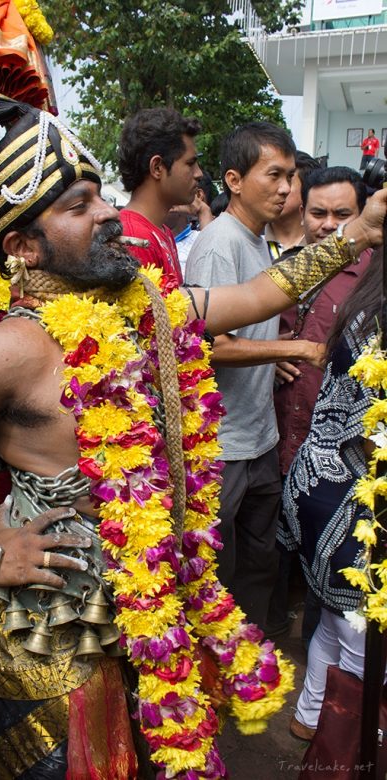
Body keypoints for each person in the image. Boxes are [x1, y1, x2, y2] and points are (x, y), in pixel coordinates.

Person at [0, 90, 385, 778]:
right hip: (51, 636)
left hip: (147, 607)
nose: (110, 214)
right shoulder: (11, 348)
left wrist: (358, 233)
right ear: (23, 245)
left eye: (99, 197)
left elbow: (261, 296)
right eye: (79, 207)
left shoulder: (147, 312)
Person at [184, 122, 325, 629]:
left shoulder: (257, 240)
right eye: (274, 175)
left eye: (290, 176)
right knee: (221, 572)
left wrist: (269, 354)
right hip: (223, 447)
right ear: (235, 180)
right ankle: (221, 677)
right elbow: (212, 344)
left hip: (258, 438)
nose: (287, 187)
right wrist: (294, 348)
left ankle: (257, 666)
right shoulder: (220, 244)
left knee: (261, 562)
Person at [268, 165, 371, 640]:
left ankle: (323, 686)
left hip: (335, 461)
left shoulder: (372, 280)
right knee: (271, 559)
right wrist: (271, 357)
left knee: (328, 585)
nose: (329, 224)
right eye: (319, 213)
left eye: (342, 213)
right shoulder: (286, 271)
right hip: (274, 443)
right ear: (302, 212)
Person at [282, 255, 383, 740]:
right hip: (349, 491)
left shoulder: (364, 300)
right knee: (363, 639)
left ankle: (308, 721)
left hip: (317, 485)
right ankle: (347, 747)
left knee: (334, 621)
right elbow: (373, 431)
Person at [118, 107, 203, 285]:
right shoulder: (134, 238)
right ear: (157, 168)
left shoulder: (162, 231)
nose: (199, 173)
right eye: (190, 164)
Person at [266, 150, 320, 260]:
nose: (281, 189)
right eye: (273, 179)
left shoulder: (321, 242)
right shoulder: (252, 238)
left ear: (308, 190)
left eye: (289, 180)